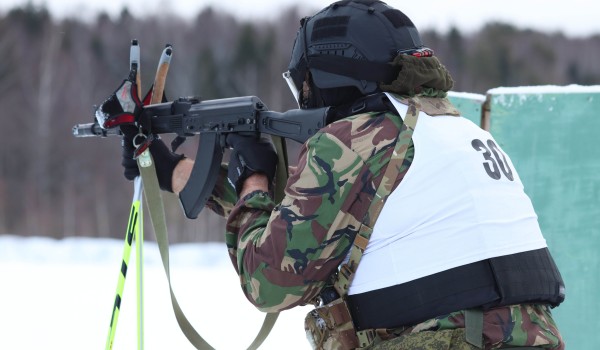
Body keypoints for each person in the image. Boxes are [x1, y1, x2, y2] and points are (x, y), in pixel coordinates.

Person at [115, 1, 566, 349]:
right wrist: (173, 171)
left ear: (329, 77)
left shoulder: (356, 139)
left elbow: (269, 280)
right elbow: (310, 228)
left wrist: (254, 177)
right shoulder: (457, 129)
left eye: (304, 86)